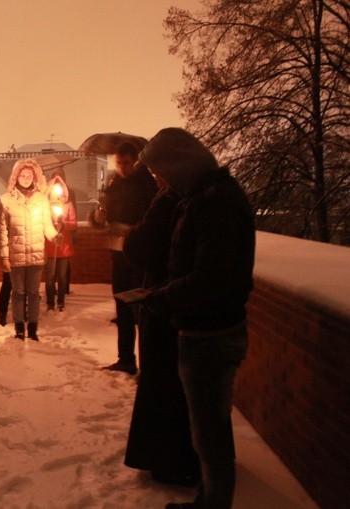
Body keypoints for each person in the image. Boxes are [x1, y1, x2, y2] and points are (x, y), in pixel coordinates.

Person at [137, 128, 256, 509]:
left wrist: (162, 296)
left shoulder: (216, 202)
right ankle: (209, 499)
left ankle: (214, 503)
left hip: (212, 335)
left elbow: (211, 277)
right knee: (206, 432)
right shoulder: (200, 197)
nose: (161, 181)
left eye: (162, 173)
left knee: (210, 436)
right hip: (201, 329)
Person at [122, 185, 200, 487]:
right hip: (176, 304)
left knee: (163, 385)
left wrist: (132, 235)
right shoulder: (198, 195)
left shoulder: (171, 198)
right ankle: (179, 458)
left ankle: (168, 460)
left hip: (166, 303)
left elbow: (141, 247)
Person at [91, 143, 157, 375]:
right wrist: (98, 217)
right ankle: (126, 359)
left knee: (141, 311)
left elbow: (153, 219)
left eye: (126, 163)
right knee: (123, 309)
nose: (121, 167)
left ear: (135, 160)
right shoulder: (113, 184)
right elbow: (104, 216)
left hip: (138, 257)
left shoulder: (146, 184)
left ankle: (149, 366)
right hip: (118, 254)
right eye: (118, 163)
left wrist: (133, 230)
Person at [0, 159, 60, 341]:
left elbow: (46, 224)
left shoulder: (41, 199)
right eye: (22, 175)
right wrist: (4, 255)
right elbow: (2, 230)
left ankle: (32, 329)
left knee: (33, 294)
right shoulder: (6, 200)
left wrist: (55, 236)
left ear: (35, 177)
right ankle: (18, 329)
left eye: (29, 175)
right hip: (16, 254)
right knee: (18, 293)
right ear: (16, 176)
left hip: (36, 253)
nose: (25, 178)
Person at [44, 174, 77, 312]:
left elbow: (74, 223)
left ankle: (61, 302)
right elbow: (43, 223)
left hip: (64, 247)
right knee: (50, 277)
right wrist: (53, 224)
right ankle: (50, 303)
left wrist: (64, 224)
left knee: (62, 277)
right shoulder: (45, 206)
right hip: (50, 246)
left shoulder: (68, 205)